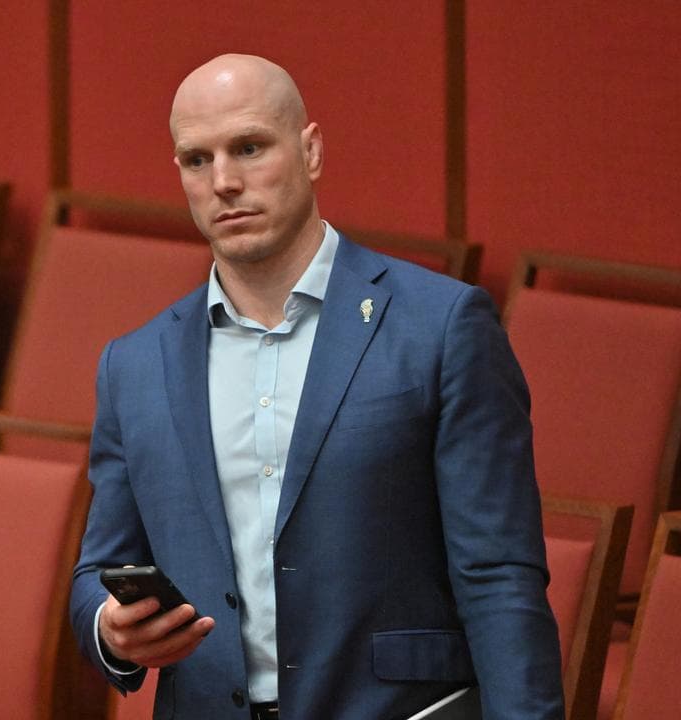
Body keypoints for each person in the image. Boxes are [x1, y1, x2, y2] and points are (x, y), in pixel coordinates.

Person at [69, 54, 564, 719]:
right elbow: (95, 571)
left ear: (311, 151)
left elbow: (499, 575)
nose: (224, 181)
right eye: (197, 159)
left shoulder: (441, 328)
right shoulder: (134, 364)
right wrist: (110, 628)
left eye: (249, 147)